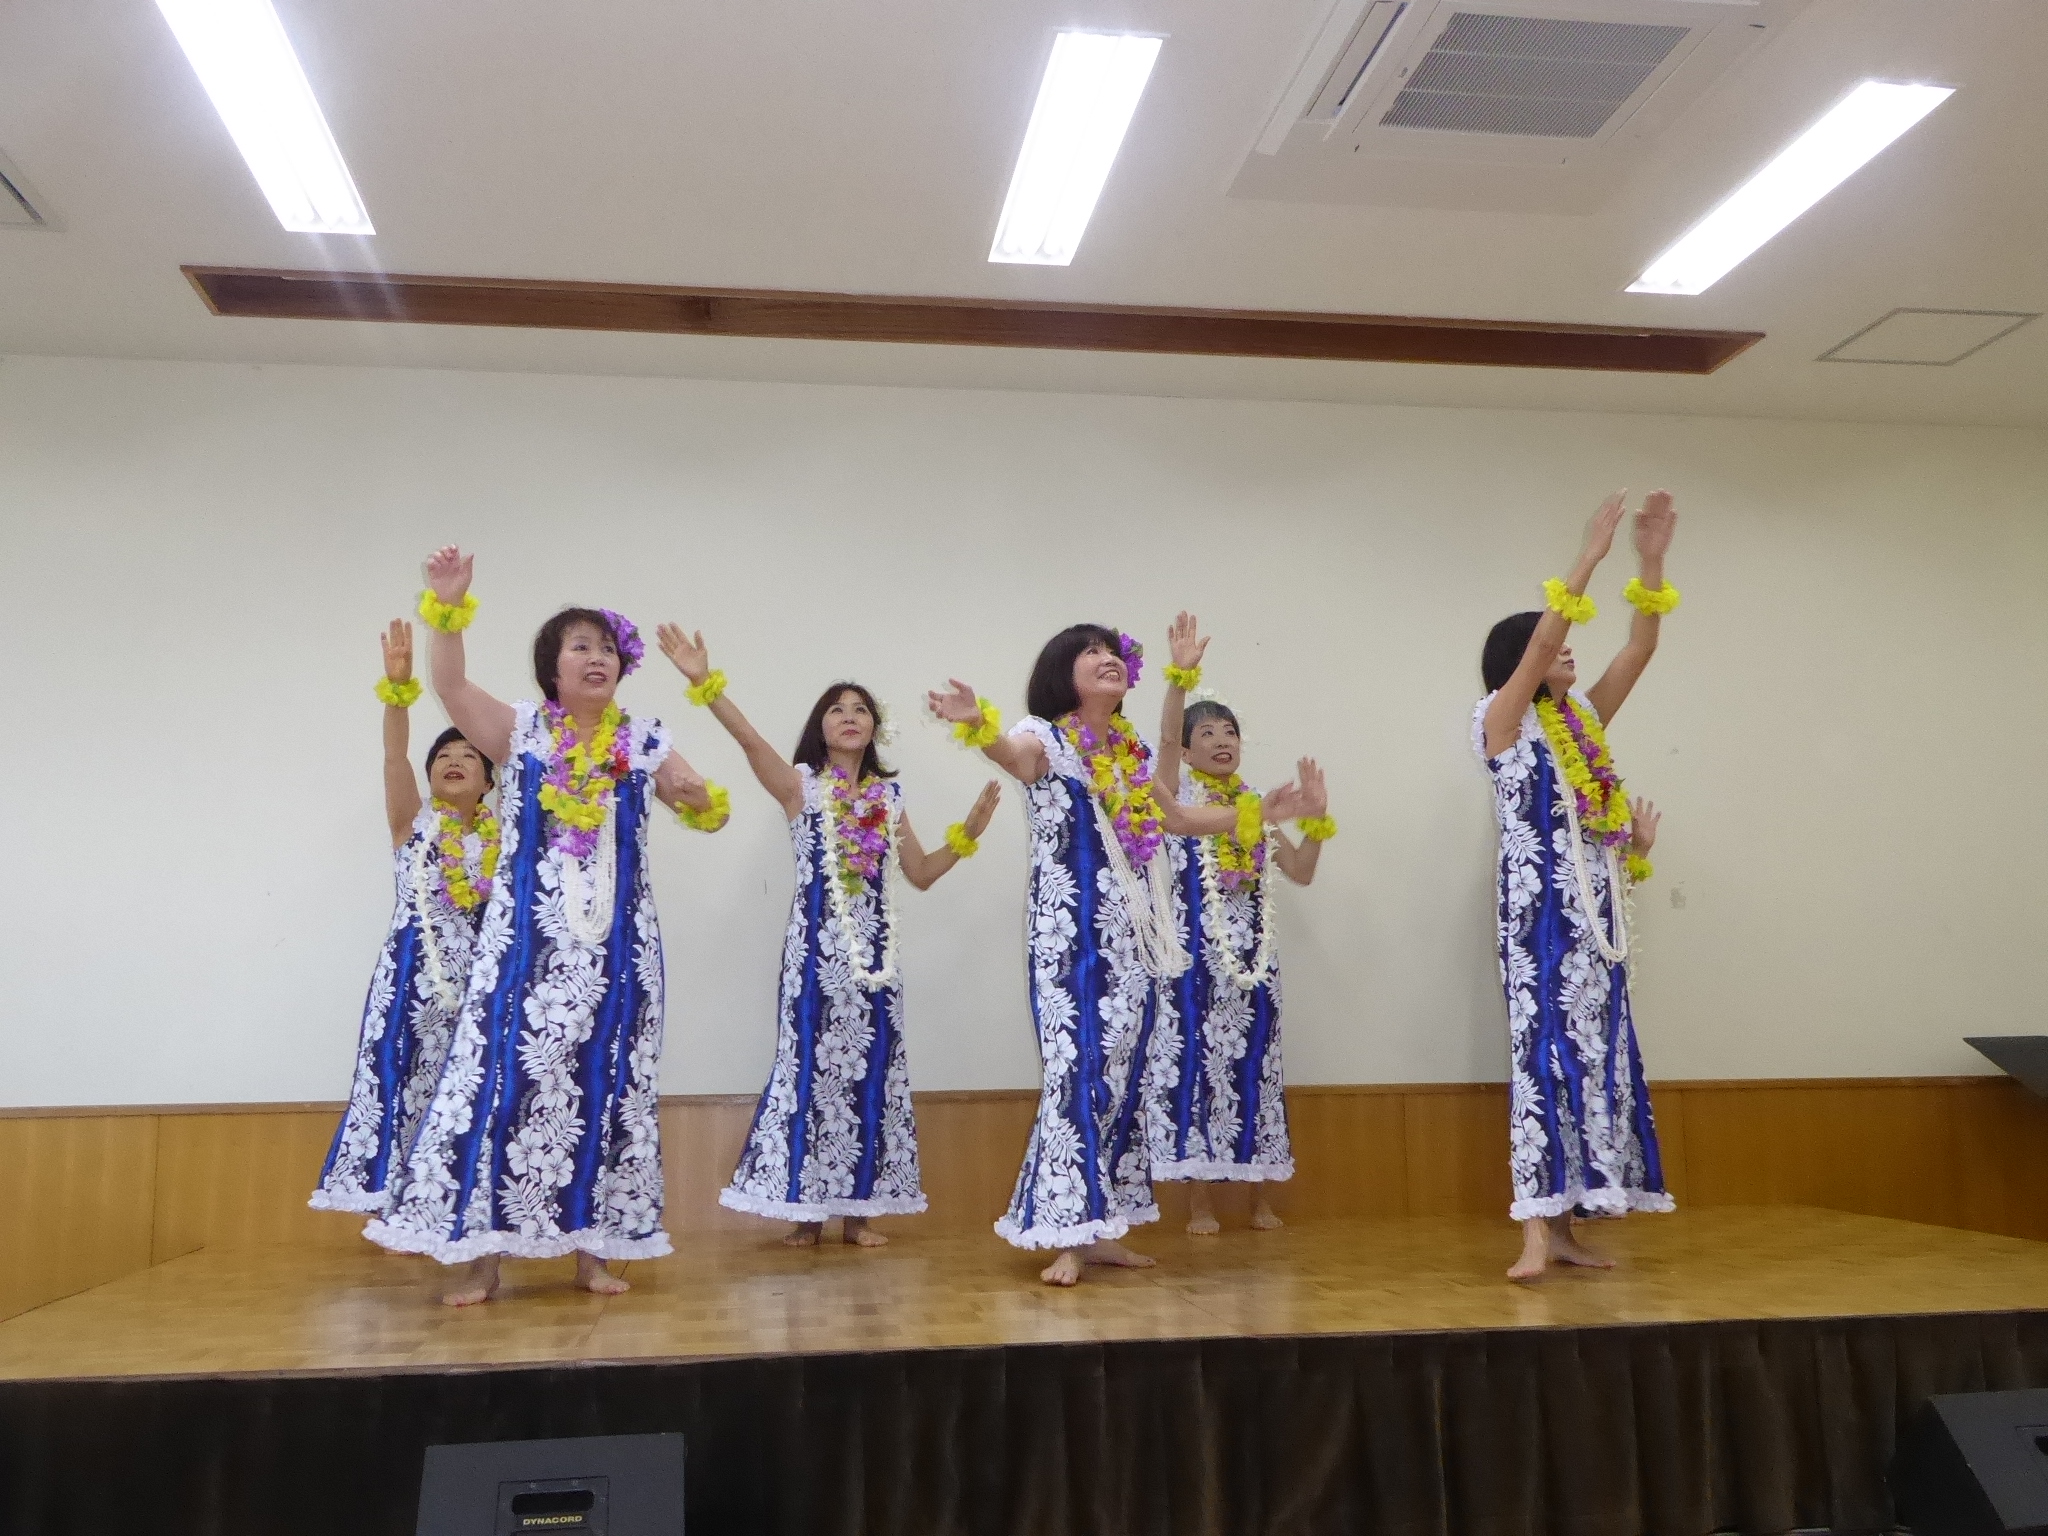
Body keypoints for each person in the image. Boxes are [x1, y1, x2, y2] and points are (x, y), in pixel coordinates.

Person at [365, 548, 727, 1306]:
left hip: (618, 951)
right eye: (580, 646)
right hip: (524, 949)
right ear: (552, 668)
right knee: (502, 1088)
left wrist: (696, 797)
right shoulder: (522, 731)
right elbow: (451, 686)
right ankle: (482, 1258)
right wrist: (447, 609)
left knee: (606, 1089)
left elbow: (700, 804)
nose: (597, 658)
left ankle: (593, 1254)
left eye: (607, 648)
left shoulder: (644, 739)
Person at [927, 617, 1302, 1286]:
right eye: (1091, 652)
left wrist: (1261, 813)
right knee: (1078, 1071)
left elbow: (1178, 819)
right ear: (1061, 672)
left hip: (1135, 937)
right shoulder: (1045, 737)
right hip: (1069, 936)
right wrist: (977, 723)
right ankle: (1067, 1231)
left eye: (1112, 652)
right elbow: (1014, 757)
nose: (1108, 659)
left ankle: (1104, 1229)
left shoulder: (1128, 752)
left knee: (1124, 1076)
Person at [656, 628, 1001, 1247]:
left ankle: (860, 1214)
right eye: (837, 709)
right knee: (810, 1075)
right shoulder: (800, 787)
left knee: (872, 1074)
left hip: (877, 962)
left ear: (873, 728)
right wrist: (704, 682)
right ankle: (806, 1216)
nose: (849, 716)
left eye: (860, 709)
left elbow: (920, 872)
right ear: (821, 727)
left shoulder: (888, 797)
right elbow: (749, 740)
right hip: (815, 957)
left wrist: (968, 834)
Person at [1475, 490, 1680, 1281]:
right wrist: (1589, 556)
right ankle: (1533, 1230)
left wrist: (1649, 563)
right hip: (1538, 929)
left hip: (1598, 926)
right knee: (1544, 1062)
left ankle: (1564, 1229)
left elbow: (1638, 651)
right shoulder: (1499, 724)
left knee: (1591, 1063)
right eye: (1551, 644)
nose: (1565, 651)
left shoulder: (1583, 723)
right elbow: (1538, 649)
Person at [1149, 625, 1333, 1233]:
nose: (1222, 740)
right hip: (1193, 960)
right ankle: (1199, 1203)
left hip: (1253, 962)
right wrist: (1180, 678)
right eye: (1206, 733)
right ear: (1187, 750)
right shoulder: (1175, 800)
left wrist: (1316, 821)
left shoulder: (1255, 806)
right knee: (1197, 1071)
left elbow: (1300, 871)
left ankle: (1258, 1198)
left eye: (1228, 731)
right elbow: (1164, 750)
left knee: (1254, 1068)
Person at [312, 619, 497, 1219]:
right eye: (443, 756)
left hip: (481, 985)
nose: (453, 761)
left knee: (465, 1089)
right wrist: (397, 692)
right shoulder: (412, 825)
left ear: (489, 780)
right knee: (397, 1082)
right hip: (410, 980)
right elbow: (395, 753)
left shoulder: (510, 842)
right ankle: (388, 1206)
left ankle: (453, 1208)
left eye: (468, 755)